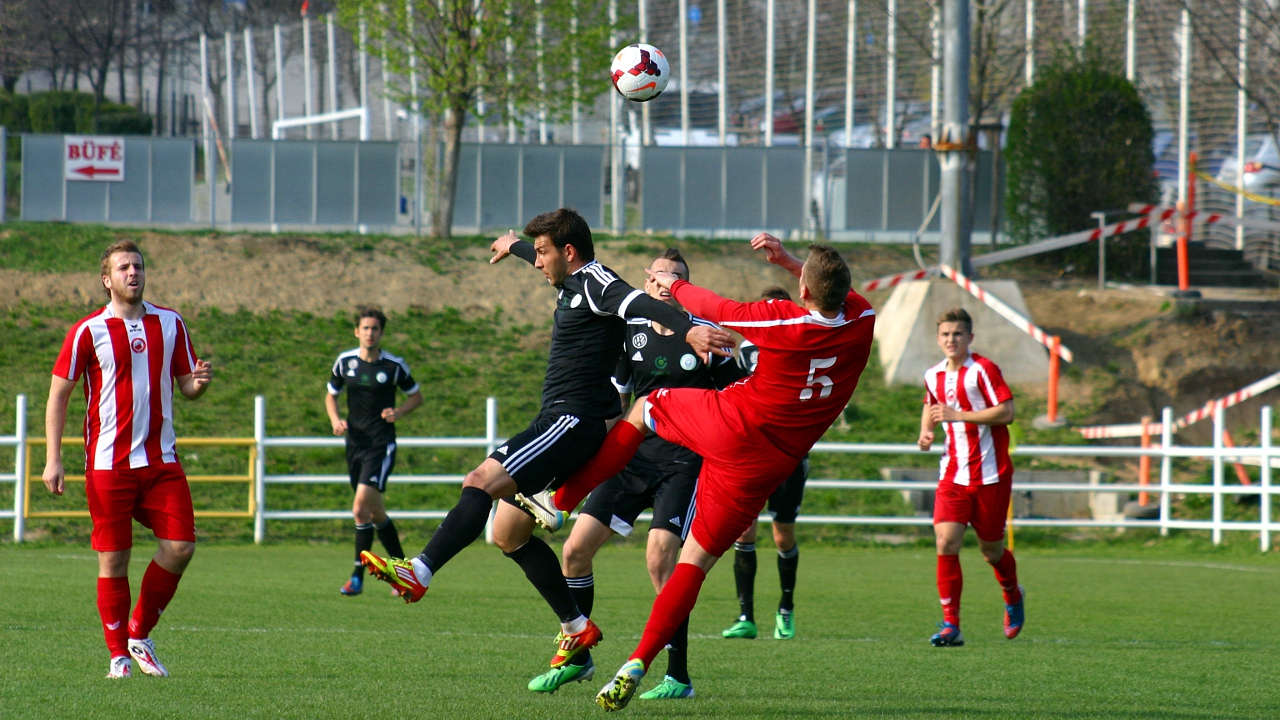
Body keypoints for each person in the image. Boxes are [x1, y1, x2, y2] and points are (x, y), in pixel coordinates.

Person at [358, 209, 731, 676]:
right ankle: (576, 628)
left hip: (571, 420)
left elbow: (636, 301)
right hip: (561, 419)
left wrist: (688, 328)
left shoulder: (596, 281)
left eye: (541, 253)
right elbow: (543, 258)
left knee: (479, 480)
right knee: (508, 534)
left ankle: (420, 571)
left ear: (568, 252)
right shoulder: (571, 280)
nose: (536, 262)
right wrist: (510, 245)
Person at [539, 234, 875, 711]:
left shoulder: (782, 320)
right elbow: (832, 290)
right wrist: (789, 262)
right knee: (693, 563)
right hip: (771, 464)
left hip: (736, 426)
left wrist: (671, 286)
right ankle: (638, 662)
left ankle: (560, 501)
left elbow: (715, 307)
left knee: (646, 407)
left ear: (802, 290)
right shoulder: (863, 318)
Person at [529, 248, 743, 698]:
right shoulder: (631, 335)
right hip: (630, 459)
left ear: (685, 288)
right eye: (659, 275)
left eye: (675, 276)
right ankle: (578, 657)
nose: (665, 282)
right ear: (647, 284)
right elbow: (618, 406)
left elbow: (738, 405)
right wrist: (584, 459)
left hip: (684, 463)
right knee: (574, 551)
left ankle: (677, 677)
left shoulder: (703, 336)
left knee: (660, 560)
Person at [43, 240, 214, 679]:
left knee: (181, 547)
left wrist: (198, 384)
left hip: (161, 463)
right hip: (108, 465)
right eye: (123, 267)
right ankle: (118, 656)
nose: (133, 272)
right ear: (107, 280)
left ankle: (139, 634)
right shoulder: (88, 331)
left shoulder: (170, 323)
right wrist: (53, 458)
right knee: (114, 560)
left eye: (138, 266)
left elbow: (187, 387)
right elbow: (59, 394)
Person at [916, 307, 1023, 647]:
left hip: (990, 474)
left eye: (958, 334)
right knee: (946, 541)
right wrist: (926, 431)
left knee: (991, 550)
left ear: (970, 338)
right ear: (938, 339)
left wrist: (959, 415)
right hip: (952, 474)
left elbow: (1007, 412)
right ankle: (951, 625)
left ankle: (1012, 594)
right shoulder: (933, 374)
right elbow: (931, 404)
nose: (952, 340)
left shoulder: (983, 370)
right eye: (946, 334)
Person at [721, 287, 809, 643]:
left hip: (789, 455)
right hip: (751, 454)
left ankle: (785, 609)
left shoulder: (803, 348)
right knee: (744, 531)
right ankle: (746, 616)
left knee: (782, 534)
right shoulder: (744, 350)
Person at [325, 308, 424, 596]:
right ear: (357, 331)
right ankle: (405, 574)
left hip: (381, 445)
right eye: (365, 328)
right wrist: (335, 420)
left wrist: (399, 412)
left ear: (381, 333)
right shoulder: (345, 362)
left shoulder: (394, 366)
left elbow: (416, 397)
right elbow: (331, 394)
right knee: (376, 513)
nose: (370, 333)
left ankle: (357, 577)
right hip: (354, 444)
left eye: (375, 329)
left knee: (360, 509)